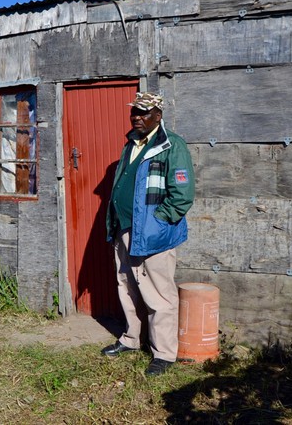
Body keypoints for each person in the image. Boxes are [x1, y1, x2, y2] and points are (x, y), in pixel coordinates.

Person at [102, 90, 195, 376]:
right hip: (125, 230)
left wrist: (158, 223)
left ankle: (164, 353)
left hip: (152, 234)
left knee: (159, 295)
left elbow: (182, 195)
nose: (137, 117)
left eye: (144, 113)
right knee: (126, 287)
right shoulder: (131, 143)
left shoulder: (171, 145)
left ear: (159, 115)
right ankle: (131, 339)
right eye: (134, 112)